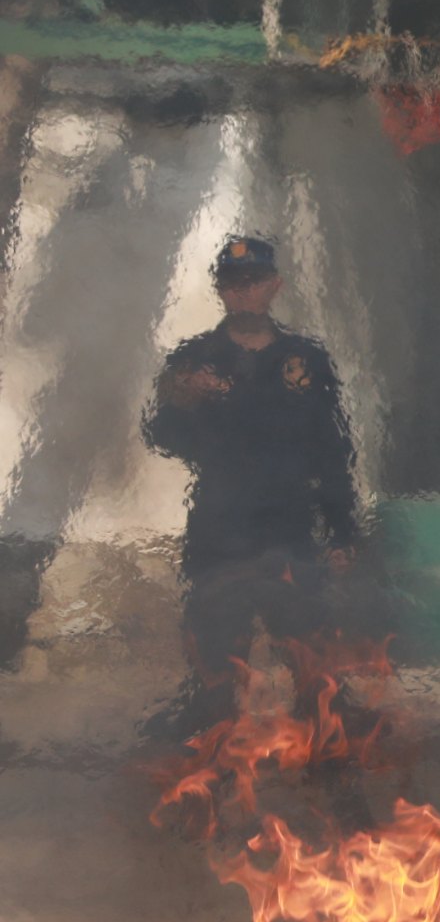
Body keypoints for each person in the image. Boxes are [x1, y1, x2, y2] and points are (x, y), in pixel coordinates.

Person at [143, 235, 363, 733]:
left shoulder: (304, 359)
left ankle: (326, 765)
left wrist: (343, 531)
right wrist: (184, 403)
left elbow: (330, 449)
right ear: (220, 290)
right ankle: (209, 781)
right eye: (233, 284)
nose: (244, 292)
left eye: (254, 282)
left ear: (274, 286)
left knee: (313, 667)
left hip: (290, 526)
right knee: (216, 669)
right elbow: (162, 438)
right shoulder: (195, 357)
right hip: (220, 529)